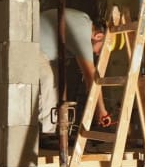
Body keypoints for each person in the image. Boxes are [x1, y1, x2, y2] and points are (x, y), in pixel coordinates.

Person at [38, 7, 112, 135]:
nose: (98, 53)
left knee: (59, 86)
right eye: (101, 49)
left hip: (40, 50)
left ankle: (55, 131)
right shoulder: (83, 30)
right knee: (48, 81)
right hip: (29, 45)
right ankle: (45, 134)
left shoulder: (84, 19)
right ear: (98, 36)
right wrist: (101, 111)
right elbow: (91, 77)